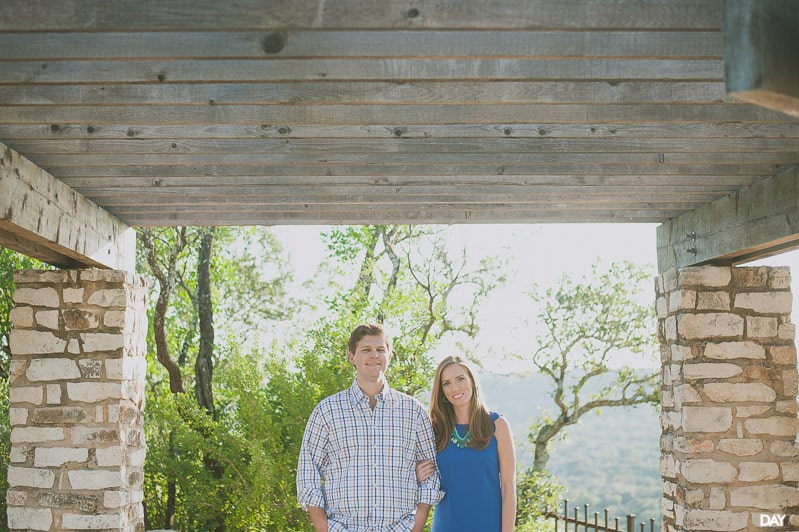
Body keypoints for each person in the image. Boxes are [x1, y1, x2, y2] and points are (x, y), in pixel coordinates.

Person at [296, 323, 444, 532]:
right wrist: (325, 528)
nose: (374, 355)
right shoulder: (327, 411)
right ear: (352, 358)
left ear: (390, 357)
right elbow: (307, 475)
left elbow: (431, 475)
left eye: (380, 350)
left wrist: (416, 525)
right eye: (366, 350)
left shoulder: (414, 412)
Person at [416, 355, 517, 532]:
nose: (454, 387)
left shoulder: (498, 426)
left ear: (472, 380)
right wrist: (416, 476)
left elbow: (508, 488)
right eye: (446, 383)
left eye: (460, 379)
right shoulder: (435, 430)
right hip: (445, 526)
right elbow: (420, 481)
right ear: (442, 391)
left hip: (488, 526)